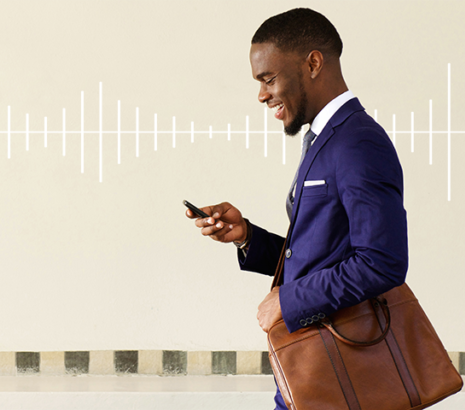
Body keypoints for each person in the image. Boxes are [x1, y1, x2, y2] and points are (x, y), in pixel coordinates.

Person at [185, 8, 409, 410]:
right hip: (312, 370)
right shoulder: (325, 138)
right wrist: (247, 238)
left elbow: (382, 262)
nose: (261, 94)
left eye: (268, 78)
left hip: (337, 375)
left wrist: (287, 301)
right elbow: (322, 255)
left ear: (313, 63)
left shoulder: (358, 143)